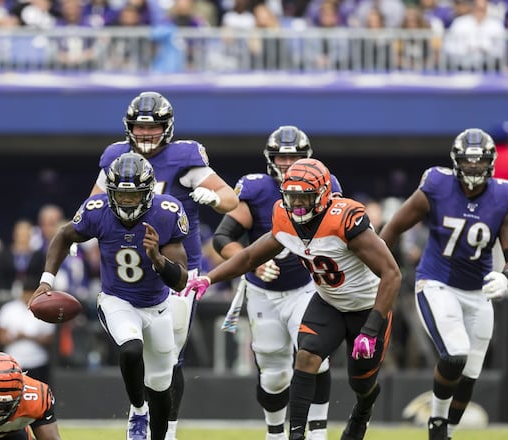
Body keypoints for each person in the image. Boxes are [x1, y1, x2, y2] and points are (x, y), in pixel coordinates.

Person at [181, 159, 402, 440]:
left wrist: (371, 330)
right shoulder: (286, 219)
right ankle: (296, 433)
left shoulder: (344, 220)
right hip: (329, 301)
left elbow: (392, 274)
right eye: (292, 196)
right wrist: (210, 278)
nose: (297, 204)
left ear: (322, 196)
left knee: (361, 382)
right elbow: (250, 256)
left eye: (304, 197)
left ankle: (362, 411)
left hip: (367, 305)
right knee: (306, 355)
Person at [89, 91, 238, 440]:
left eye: (152, 127)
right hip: (129, 272)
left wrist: (213, 197)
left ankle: (165, 429)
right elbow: (94, 202)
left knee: (169, 354)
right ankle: (138, 414)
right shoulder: (116, 157)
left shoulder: (186, 157)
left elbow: (230, 199)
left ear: (166, 127)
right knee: (135, 346)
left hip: (177, 271)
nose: (144, 135)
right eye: (138, 128)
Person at [378, 128, 508, 440]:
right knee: (454, 353)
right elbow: (394, 227)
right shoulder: (437, 185)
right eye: (468, 162)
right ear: (457, 162)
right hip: (437, 282)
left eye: (479, 161)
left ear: (491, 163)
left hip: (478, 293)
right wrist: (375, 267)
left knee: (470, 374)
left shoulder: (505, 196)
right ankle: (437, 423)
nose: (473, 168)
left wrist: (506, 276)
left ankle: (448, 432)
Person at [39, 152, 189, 440]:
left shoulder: (167, 212)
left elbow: (180, 280)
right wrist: (47, 281)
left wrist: (157, 258)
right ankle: (138, 410)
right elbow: (63, 236)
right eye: (120, 195)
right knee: (131, 349)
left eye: (133, 196)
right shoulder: (97, 210)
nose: (126, 202)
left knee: (160, 387)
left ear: (147, 193)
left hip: (157, 306)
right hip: (117, 300)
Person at [211, 126, 341, 440]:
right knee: (273, 374)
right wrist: (253, 263)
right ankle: (275, 434)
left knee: (314, 354)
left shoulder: (326, 184)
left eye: (293, 157)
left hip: (307, 286)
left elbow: (341, 233)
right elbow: (223, 238)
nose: (286, 163)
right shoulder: (255, 189)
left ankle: (317, 432)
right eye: (281, 156)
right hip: (264, 292)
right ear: (270, 158)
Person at [0, 280, 56, 384]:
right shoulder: (8, 309)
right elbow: (0, 338)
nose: (27, 296)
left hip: (37, 362)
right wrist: (15, 337)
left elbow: (49, 339)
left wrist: (30, 337)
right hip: (13, 362)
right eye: (25, 293)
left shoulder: (45, 309)